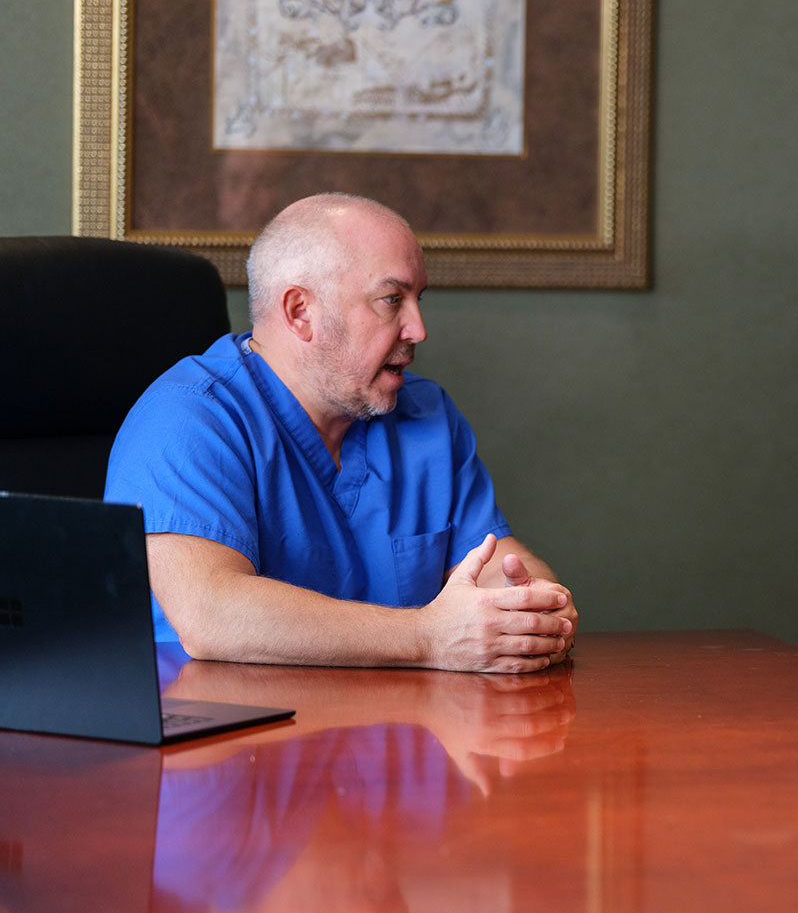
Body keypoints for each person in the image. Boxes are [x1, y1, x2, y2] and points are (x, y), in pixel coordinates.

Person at [105, 192, 577, 674]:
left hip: (405, 731)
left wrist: (535, 610)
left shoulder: (426, 413)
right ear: (300, 312)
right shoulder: (189, 418)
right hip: (234, 737)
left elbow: (500, 562)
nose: (418, 328)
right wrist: (427, 637)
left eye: (418, 300)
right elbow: (212, 616)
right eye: (392, 300)